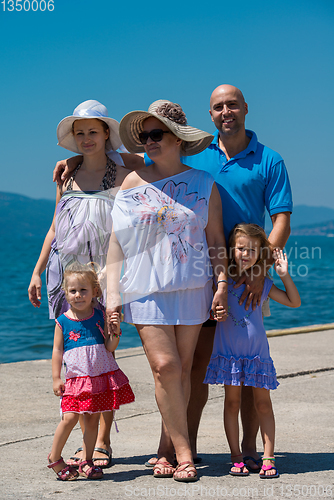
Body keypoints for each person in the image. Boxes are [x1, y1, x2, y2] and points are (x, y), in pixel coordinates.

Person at [144, 85, 293, 470]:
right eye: (217, 107)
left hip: (245, 280)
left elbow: (281, 222)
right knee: (193, 366)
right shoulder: (197, 154)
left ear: (245, 108)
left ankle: (245, 451)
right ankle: (183, 447)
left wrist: (258, 271)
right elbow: (144, 160)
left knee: (243, 372)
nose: (225, 111)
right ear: (209, 115)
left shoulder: (270, 160)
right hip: (198, 274)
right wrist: (78, 163)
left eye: (231, 104)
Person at [106, 100, 229, 482]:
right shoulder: (131, 183)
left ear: (177, 138)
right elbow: (115, 246)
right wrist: (112, 296)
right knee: (165, 367)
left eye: (155, 134)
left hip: (193, 287)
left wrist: (221, 284)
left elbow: (215, 242)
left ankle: (165, 449)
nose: (148, 142)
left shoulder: (205, 184)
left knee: (184, 371)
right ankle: (185, 452)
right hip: (143, 290)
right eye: (143, 137)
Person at [28, 99, 134, 468]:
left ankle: (102, 441)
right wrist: (37, 271)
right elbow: (55, 228)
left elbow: (153, 165)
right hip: (65, 280)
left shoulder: (123, 175)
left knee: (105, 356)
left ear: (107, 134)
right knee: (76, 359)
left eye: (94, 131)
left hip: (103, 281)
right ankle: (78, 439)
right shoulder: (66, 175)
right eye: (80, 133)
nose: (87, 138)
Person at [204, 223, 300, 478]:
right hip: (229, 356)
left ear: (260, 253)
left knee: (264, 405)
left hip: (257, 356)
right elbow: (208, 309)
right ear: (231, 250)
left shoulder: (263, 284)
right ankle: (236, 455)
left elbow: (294, 301)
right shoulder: (220, 283)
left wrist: (284, 274)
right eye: (241, 248)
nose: (245, 254)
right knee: (232, 403)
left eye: (252, 250)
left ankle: (268, 456)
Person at [47, 263, 134, 480]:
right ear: (66, 293)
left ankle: (87, 460)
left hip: (98, 378)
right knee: (69, 418)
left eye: (83, 290)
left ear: (94, 291)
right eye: (73, 291)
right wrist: (56, 377)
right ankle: (55, 458)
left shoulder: (99, 316)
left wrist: (115, 332)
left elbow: (109, 347)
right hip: (76, 380)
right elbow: (57, 350)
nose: (78, 295)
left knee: (93, 420)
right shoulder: (63, 322)